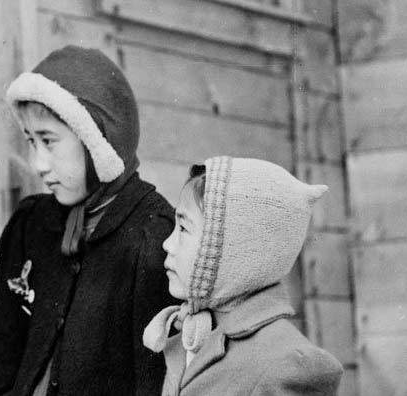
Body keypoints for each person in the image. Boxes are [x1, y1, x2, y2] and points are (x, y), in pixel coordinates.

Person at [0, 45, 176, 396]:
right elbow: (5, 368)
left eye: (49, 141)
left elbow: (154, 385)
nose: (38, 163)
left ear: (96, 141)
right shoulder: (30, 226)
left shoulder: (153, 240)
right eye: (31, 141)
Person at [143, 158, 343, 396]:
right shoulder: (195, 334)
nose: (167, 244)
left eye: (184, 229)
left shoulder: (286, 364)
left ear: (233, 249)